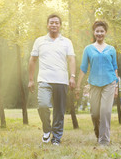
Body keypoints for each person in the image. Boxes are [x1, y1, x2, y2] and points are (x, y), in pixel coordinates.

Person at [28, 14, 76, 146]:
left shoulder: (67, 42)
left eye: (56, 23)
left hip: (61, 80)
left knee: (59, 111)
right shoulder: (39, 41)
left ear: (60, 25)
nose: (54, 25)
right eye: (51, 22)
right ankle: (46, 130)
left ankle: (56, 138)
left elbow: (71, 59)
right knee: (43, 105)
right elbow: (32, 60)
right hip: (44, 80)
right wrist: (31, 79)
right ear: (47, 25)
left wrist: (72, 76)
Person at [75, 21, 119, 145]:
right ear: (94, 33)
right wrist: (78, 86)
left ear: (105, 33)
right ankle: (99, 133)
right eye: (97, 31)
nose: (99, 33)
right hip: (94, 84)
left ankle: (104, 140)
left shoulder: (111, 49)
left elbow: (115, 67)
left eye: (102, 31)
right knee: (95, 113)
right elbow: (83, 68)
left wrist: (116, 86)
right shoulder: (88, 49)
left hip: (109, 83)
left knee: (105, 111)